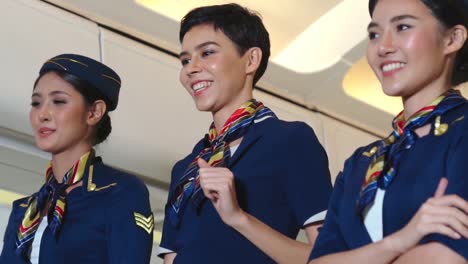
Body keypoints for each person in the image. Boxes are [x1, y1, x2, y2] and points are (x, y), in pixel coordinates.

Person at [157, 3, 332, 264]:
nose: (190, 68)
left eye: (207, 53)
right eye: (185, 60)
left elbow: (330, 257)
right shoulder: (187, 169)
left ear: (250, 60)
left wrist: (238, 217)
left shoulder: (290, 141)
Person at [309, 0, 468, 263]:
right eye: (374, 34)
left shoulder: (461, 131)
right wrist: (402, 240)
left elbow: (448, 256)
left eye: (403, 27)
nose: (383, 47)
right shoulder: (361, 164)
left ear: (453, 38)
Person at [0, 54, 154, 263]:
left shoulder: (119, 192)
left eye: (59, 101)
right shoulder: (24, 210)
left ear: (94, 112)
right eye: (36, 103)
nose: (42, 114)